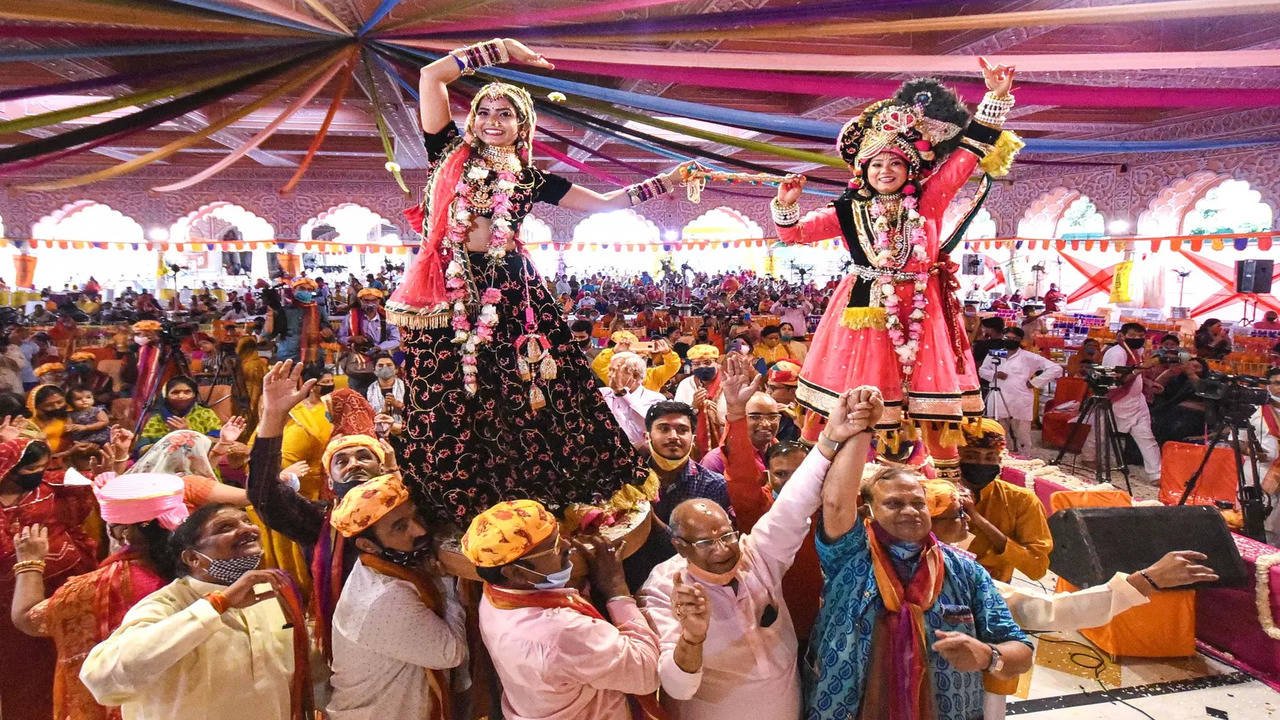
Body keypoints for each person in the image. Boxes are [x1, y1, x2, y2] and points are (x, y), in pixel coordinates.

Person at [387, 38, 688, 524]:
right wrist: (504, 49)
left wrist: (665, 182)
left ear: (522, 125)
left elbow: (605, 203)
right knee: (451, 390)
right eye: (485, 111)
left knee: (530, 387)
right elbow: (432, 77)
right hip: (450, 285)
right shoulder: (447, 150)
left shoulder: (531, 179)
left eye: (506, 113)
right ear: (471, 119)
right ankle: (460, 491)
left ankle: (536, 488)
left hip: (511, 288)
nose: (493, 120)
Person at [771, 61, 1019, 480]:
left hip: (922, 306)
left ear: (910, 171)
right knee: (855, 394)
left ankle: (944, 485)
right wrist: (786, 202)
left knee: (930, 397)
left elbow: (965, 157)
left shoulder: (929, 199)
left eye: (894, 164)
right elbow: (794, 234)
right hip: (864, 308)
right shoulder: (848, 210)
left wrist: (994, 98)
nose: (884, 171)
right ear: (862, 172)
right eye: (875, 165)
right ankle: (824, 477)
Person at [639, 390, 870, 720]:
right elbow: (678, 688)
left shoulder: (753, 554)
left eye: (726, 536)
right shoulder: (665, 589)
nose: (722, 549)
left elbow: (794, 503)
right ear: (679, 546)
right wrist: (692, 637)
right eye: (705, 543)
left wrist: (832, 436)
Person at [922, 480, 1219, 719]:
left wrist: (991, 657)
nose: (968, 522)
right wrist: (1146, 581)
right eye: (959, 515)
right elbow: (1049, 611)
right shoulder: (898, 572)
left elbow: (1045, 608)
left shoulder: (968, 572)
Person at [809, 403, 1033, 718]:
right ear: (868, 513)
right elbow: (834, 502)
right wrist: (862, 428)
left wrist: (988, 656)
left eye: (918, 503)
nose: (911, 511)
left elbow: (1021, 652)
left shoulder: (965, 570)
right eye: (894, 503)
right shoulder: (850, 557)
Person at [79, 504, 301, 720]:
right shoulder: (165, 605)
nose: (248, 529)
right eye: (225, 527)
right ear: (193, 558)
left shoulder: (267, 593)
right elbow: (101, 680)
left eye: (247, 521)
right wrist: (216, 605)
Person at [460, 500, 661, 720]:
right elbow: (646, 671)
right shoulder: (560, 632)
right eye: (554, 547)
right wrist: (617, 590)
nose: (567, 546)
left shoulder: (493, 592)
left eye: (558, 534)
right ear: (515, 573)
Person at [10, 472, 187, 720]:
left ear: (122, 532)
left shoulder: (101, 586)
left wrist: (29, 563)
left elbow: (28, 618)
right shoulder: (200, 566)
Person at [327, 473, 467, 720]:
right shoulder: (383, 598)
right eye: (400, 527)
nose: (420, 530)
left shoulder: (381, 568)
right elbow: (450, 652)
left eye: (415, 516)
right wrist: (448, 582)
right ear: (368, 546)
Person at [0, 433, 101, 720]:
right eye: (30, 470)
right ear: (7, 469)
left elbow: (90, 500)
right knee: (25, 665)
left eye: (42, 467)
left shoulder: (54, 486)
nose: (37, 474)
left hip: (65, 588)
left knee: (75, 654)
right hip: (9, 603)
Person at [955, 420, 1052, 584]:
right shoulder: (938, 493)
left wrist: (978, 519)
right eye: (971, 455)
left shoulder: (1021, 500)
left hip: (996, 593)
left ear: (999, 460)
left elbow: (1037, 567)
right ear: (957, 456)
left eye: (990, 457)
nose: (981, 463)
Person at [977, 326, 1063, 454]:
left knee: (1022, 435)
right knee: (998, 433)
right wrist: (994, 374)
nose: (1010, 340)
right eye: (1007, 337)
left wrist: (1035, 382)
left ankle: (1024, 459)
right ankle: (1002, 459)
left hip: (1019, 400)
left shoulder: (1028, 357)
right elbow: (982, 371)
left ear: (1020, 340)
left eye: (1014, 338)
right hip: (998, 399)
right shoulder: (994, 354)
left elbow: (1056, 369)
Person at [1099, 322, 1162, 481]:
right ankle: (1089, 458)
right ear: (1122, 336)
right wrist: (1143, 368)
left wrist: (1147, 383)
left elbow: (1135, 376)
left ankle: (1156, 474)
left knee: (1146, 436)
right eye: (1132, 336)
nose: (1137, 339)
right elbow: (1117, 380)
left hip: (1137, 401)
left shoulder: (1136, 351)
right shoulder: (1117, 353)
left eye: (1141, 336)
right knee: (1100, 433)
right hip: (1119, 401)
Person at [137, 376, 223, 455]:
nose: (181, 396)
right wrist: (171, 439)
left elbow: (219, 442)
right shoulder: (158, 418)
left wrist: (188, 434)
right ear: (166, 396)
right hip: (164, 466)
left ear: (194, 395)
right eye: (175, 392)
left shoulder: (205, 414)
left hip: (200, 466)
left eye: (187, 392)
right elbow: (142, 450)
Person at [599, 351, 666, 448]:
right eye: (610, 370)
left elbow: (649, 427)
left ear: (635, 376)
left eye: (615, 371)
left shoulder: (655, 399)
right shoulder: (602, 394)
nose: (610, 375)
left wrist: (621, 393)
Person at [674, 344, 728, 459]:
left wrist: (719, 420)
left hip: (727, 441)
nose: (702, 367)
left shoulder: (728, 382)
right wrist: (694, 407)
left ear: (717, 363)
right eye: (696, 364)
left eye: (707, 363)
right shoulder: (686, 385)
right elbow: (677, 415)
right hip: (696, 443)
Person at [1150, 357, 1210, 445]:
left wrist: (1190, 373)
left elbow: (1202, 390)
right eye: (1189, 366)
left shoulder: (1206, 382)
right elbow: (1155, 387)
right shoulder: (1178, 381)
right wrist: (1169, 372)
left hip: (1194, 416)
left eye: (1196, 367)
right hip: (1172, 412)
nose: (1191, 368)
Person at [592, 334, 681, 393]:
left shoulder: (653, 375)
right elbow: (598, 365)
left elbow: (673, 366)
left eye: (639, 356)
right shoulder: (614, 375)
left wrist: (667, 352)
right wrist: (613, 351)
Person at [1252, 368, 1280, 543]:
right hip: (1260, 473)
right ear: (1267, 385)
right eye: (1277, 383)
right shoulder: (1255, 409)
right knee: (1259, 526)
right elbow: (1235, 440)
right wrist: (1253, 451)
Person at [340, 287, 401, 354]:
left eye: (374, 300)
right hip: (357, 355)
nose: (370, 303)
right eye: (366, 301)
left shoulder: (387, 318)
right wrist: (351, 338)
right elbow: (340, 338)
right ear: (361, 301)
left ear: (379, 301)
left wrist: (380, 347)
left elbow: (396, 340)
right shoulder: (350, 318)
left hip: (380, 355)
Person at [365, 352, 406, 434]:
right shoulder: (369, 390)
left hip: (404, 432)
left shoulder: (406, 387)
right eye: (380, 365)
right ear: (374, 370)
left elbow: (415, 412)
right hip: (379, 435)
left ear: (396, 370)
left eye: (389, 365)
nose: (385, 368)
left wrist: (398, 405)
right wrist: (384, 410)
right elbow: (367, 417)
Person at [765, 360, 804, 442]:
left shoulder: (807, 414)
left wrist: (799, 422)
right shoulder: (763, 408)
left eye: (773, 388)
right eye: (767, 386)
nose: (768, 391)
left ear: (793, 391)